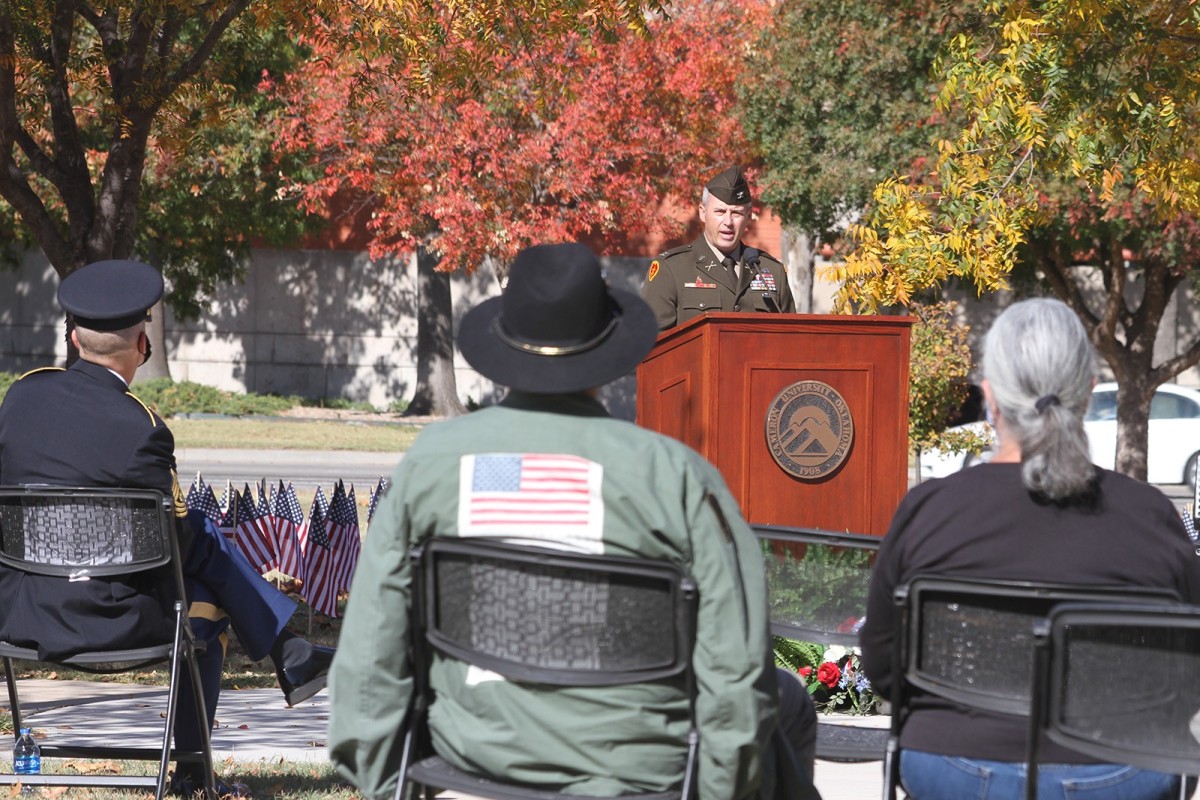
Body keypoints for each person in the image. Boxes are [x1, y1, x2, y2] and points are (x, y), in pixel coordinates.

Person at [329, 242, 819, 800]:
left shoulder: (430, 465)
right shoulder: (677, 479)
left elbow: (372, 644)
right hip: (641, 766)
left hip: (475, 751)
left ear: (503, 342)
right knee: (788, 704)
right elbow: (735, 669)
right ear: (609, 349)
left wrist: (384, 778)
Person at [0, 259, 335, 797]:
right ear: (143, 344)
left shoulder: (20, 399)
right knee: (204, 592)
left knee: (201, 543)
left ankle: (289, 652)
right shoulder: (142, 427)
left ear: (71, 335)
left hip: (21, 615)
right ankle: (195, 770)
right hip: (112, 623)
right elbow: (172, 549)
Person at [859, 297, 1200, 800]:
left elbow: (884, 664)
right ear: (1085, 394)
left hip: (953, 765)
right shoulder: (1153, 516)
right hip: (1120, 772)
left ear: (990, 397)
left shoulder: (931, 510)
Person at [641, 166, 796, 331]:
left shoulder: (770, 271)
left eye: (736, 213)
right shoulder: (672, 269)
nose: (728, 222)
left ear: (749, 216)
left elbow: (791, 339)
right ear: (703, 212)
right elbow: (651, 344)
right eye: (720, 212)